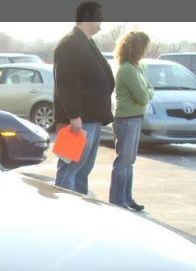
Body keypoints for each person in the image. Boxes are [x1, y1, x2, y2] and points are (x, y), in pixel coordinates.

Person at [53, 1, 115, 195]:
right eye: (99, 15)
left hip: (91, 120)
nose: (102, 20)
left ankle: (80, 211)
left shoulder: (87, 42)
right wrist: (74, 116)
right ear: (88, 17)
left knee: (83, 170)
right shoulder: (70, 44)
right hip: (78, 122)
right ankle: (65, 214)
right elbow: (66, 83)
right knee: (69, 168)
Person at [109, 31, 154, 211]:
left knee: (129, 161)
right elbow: (144, 96)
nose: (145, 50)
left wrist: (148, 93)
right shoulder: (127, 69)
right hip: (126, 120)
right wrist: (148, 93)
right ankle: (117, 200)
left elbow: (149, 88)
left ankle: (126, 197)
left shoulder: (137, 67)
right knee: (123, 162)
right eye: (143, 47)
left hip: (135, 119)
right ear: (136, 48)